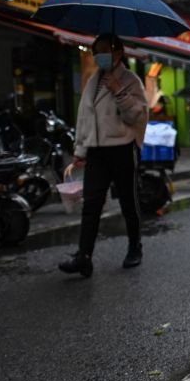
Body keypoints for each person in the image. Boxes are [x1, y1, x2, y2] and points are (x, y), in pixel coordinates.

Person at [58, 34, 148, 278]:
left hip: (122, 147)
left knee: (128, 201)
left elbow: (137, 116)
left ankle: (134, 247)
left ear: (118, 52)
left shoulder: (131, 81)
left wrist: (119, 91)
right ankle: (83, 256)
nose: (98, 55)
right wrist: (80, 151)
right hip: (96, 151)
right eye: (95, 51)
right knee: (91, 204)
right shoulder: (93, 81)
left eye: (103, 50)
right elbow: (84, 118)